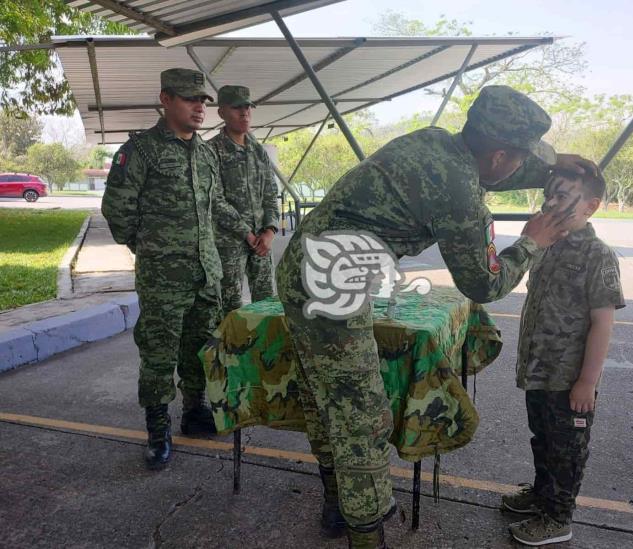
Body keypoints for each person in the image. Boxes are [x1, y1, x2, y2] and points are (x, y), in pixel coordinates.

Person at [275, 85, 598, 548]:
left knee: (328, 397)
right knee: (361, 417)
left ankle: (338, 503)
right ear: (501, 154)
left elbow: (494, 169)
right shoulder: (460, 193)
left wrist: (551, 162)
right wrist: (531, 241)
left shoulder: (437, 142)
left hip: (312, 267)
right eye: (521, 157)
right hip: (330, 287)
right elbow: (485, 285)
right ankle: (365, 533)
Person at [102, 68, 225, 470]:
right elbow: (118, 210)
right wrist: (149, 248)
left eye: (203, 100)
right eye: (190, 99)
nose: (199, 107)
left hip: (205, 273)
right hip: (162, 277)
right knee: (159, 352)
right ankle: (158, 428)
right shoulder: (141, 150)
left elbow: (211, 209)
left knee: (201, 348)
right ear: (165, 99)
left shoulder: (207, 153)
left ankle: (194, 411)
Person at [501, 169, 625, 546]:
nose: (551, 204)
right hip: (539, 370)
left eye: (563, 197)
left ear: (591, 206)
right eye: (549, 197)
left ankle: (557, 518)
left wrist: (587, 382)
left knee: (566, 451)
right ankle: (541, 496)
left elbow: (602, 323)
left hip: (569, 379)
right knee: (543, 438)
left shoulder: (596, 254)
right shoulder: (546, 244)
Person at [208, 85, 279, 313]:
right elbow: (214, 199)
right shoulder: (211, 151)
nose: (244, 113)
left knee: (266, 304)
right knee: (230, 308)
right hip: (229, 244)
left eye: (248, 107)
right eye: (237, 108)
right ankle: (232, 349)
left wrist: (270, 231)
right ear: (221, 113)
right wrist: (246, 233)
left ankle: (265, 348)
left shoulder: (258, 152)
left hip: (261, 243)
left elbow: (270, 193)